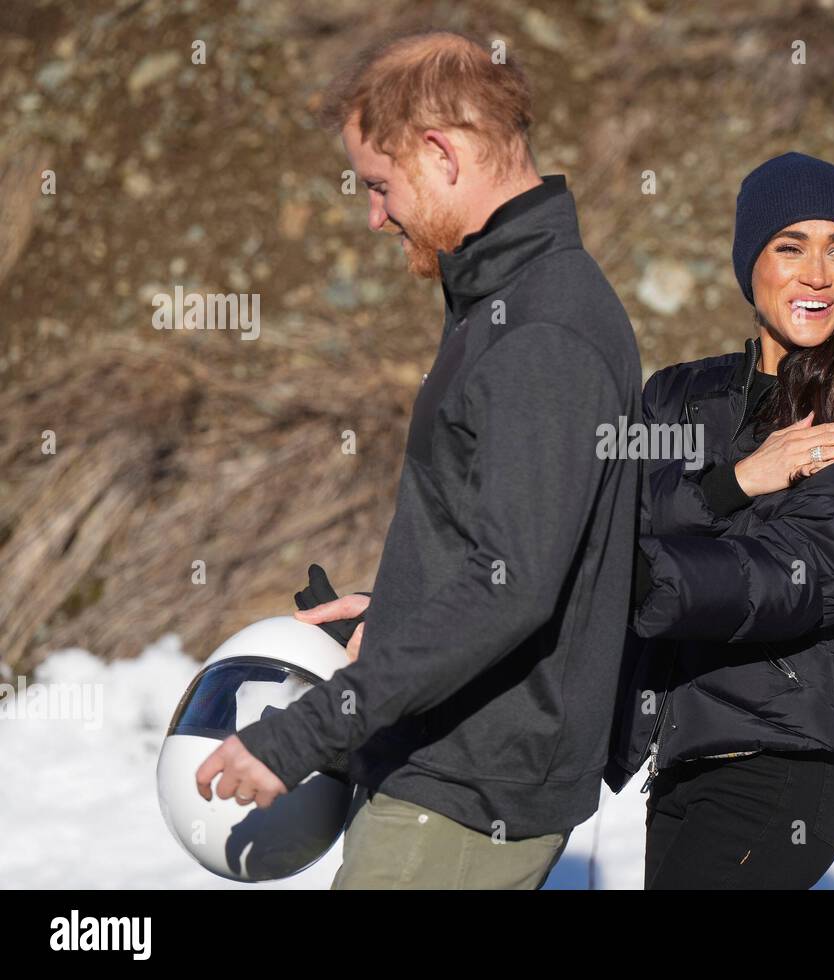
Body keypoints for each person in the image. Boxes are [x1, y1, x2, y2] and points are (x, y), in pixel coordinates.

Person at [196, 29, 642, 889]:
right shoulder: (509, 300)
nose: (374, 214)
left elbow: (510, 589)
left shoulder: (541, 329)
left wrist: (301, 734)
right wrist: (402, 599)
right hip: (452, 766)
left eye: (378, 184)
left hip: (465, 789)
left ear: (439, 153)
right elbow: (511, 545)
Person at [605, 152, 834, 889]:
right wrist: (732, 485)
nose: (817, 274)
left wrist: (643, 573)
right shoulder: (678, 397)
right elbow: (601, 510)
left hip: (783, 767)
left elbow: (814, 573)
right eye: (790, 246)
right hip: (680, 761)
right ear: (749, 263)